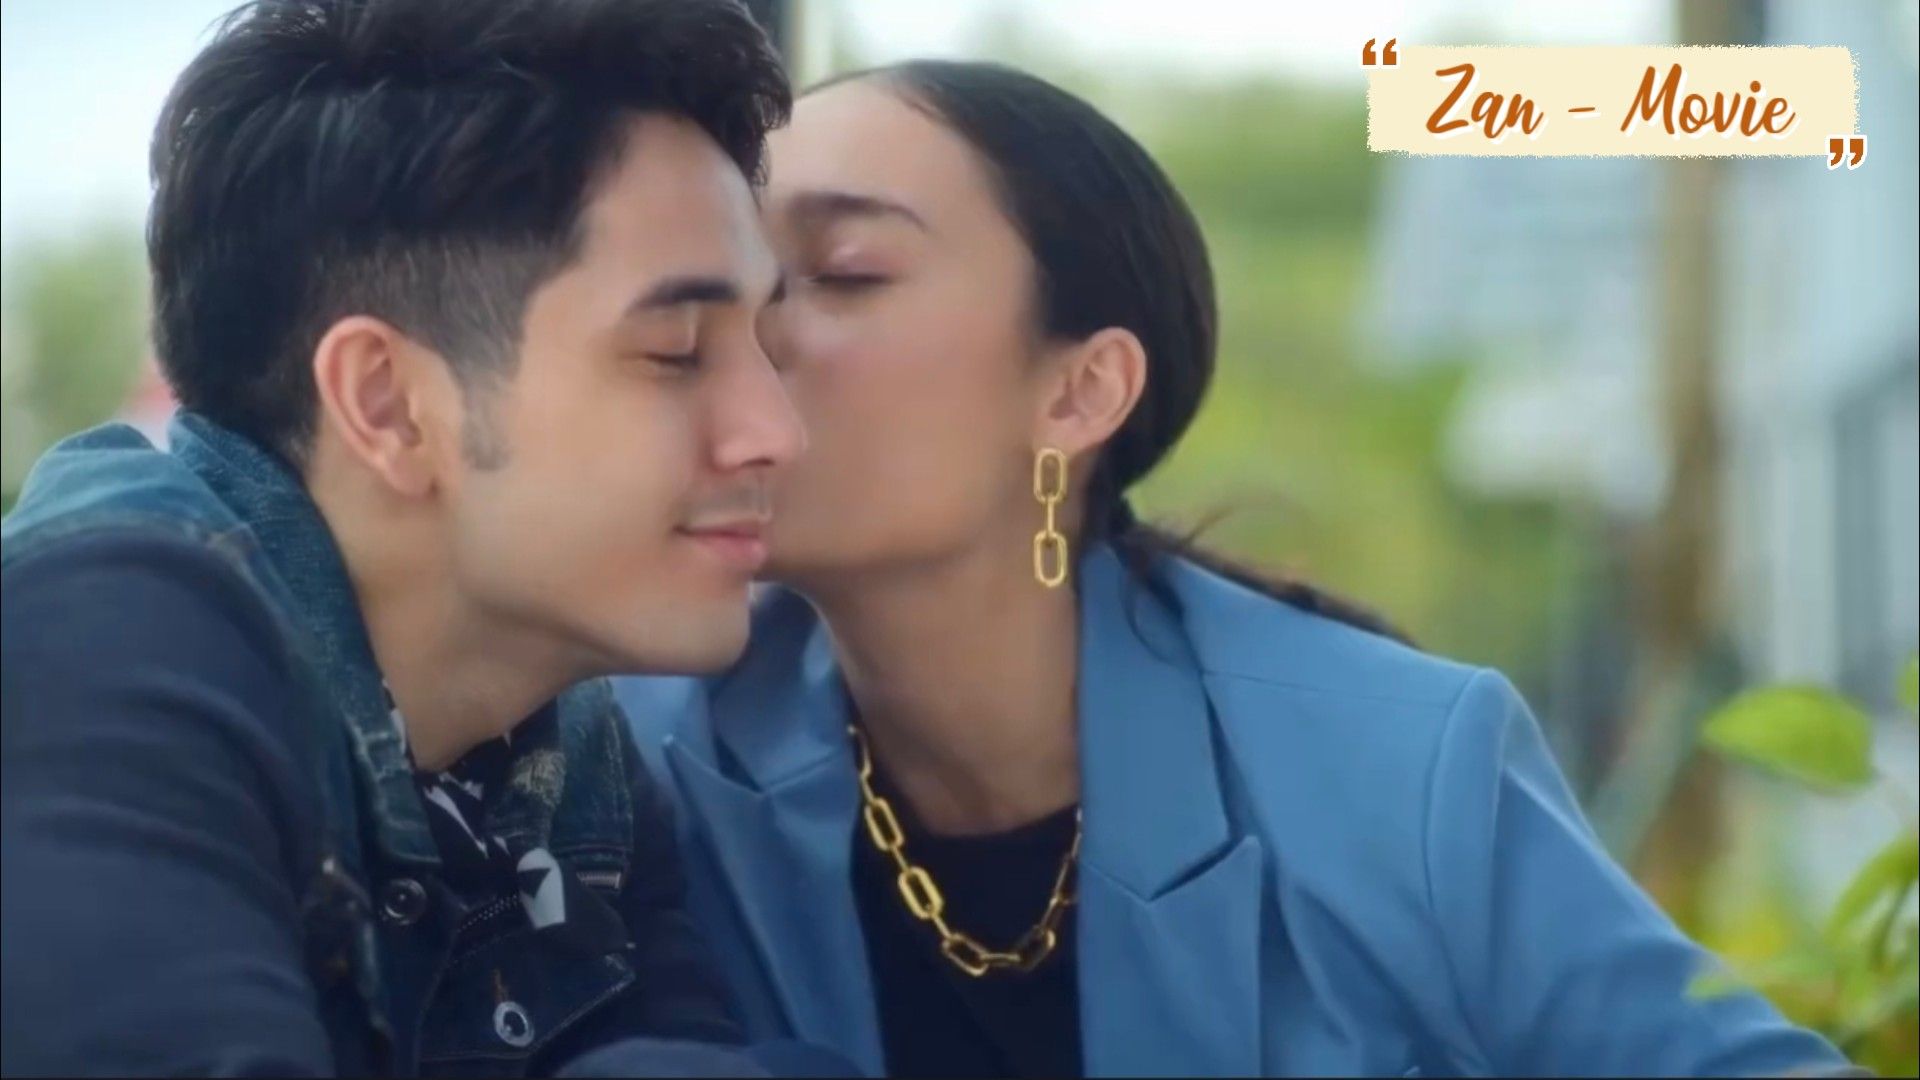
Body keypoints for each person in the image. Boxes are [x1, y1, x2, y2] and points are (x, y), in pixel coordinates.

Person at [614, 60, 1859, 1078]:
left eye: (841, 274)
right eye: (732, 279)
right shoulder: (645, 754)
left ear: (1080, 392)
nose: (744, 335)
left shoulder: (1399, 769)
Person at [0, 0, 819, 1074]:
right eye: (675, 350)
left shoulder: (567, 760)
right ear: (385, 405)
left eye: (766, 344)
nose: (778, 431)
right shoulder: (105, 648)